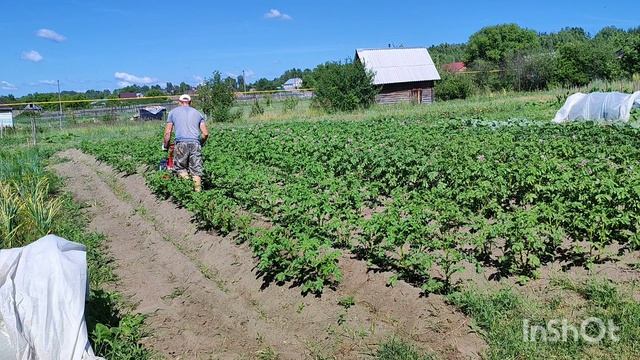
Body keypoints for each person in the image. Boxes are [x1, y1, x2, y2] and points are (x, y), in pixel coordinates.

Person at [163, 94, 208, 192]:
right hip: (195, 143)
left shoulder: (172, 113)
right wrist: (200, 143)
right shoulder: (198, 113)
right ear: (190, 103)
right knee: (196, 170)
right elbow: (205, 133)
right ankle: (198, 195)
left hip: (181, 143)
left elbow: (167, 132)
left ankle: (189, 189)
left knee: (180, 168)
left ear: (179, 102)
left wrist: (166, 146)